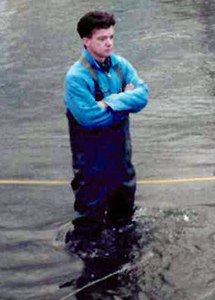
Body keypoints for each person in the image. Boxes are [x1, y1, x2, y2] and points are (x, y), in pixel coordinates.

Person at [64, 11, 148, 251]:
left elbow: (143, 96)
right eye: (102, 38)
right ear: (86, 41)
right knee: (89, 231)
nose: (109, 42)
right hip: (91, 167)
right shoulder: (76, 77)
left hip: (121, 162)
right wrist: (124, 99)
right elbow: (90, 118)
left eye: (111, 36)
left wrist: (109, 101)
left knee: (125, 222)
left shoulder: (121, 65)